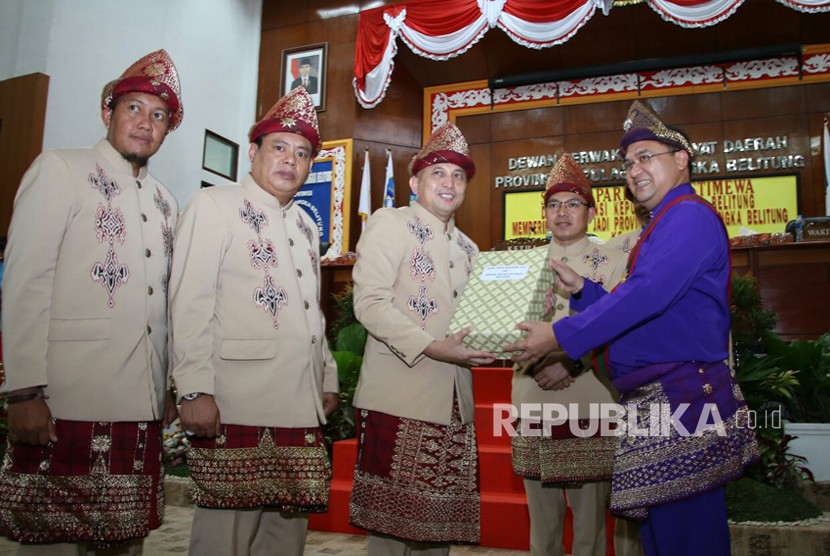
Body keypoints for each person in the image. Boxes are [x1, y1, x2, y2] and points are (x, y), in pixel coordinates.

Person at [505, 100, 759, 556]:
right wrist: (584, 288)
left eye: (646, 157)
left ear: (681, 160)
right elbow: (649, 307)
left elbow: (645, 294)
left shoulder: (689, 216)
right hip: (657, 403)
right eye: (627, 163)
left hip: (681, 400)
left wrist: (562, 336)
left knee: (688, 538)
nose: (634, 169)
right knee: (664, 538)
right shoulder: (666, 222)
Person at [0, 48, 183, 554]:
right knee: (50, 541)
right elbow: (25, 281)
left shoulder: (165, 201)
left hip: (138, 404)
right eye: (134, 109)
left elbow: (164, 304)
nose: (146, 123)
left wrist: (165, 384)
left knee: (124, 543)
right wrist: (24, 391)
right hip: (66, 399)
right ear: (108, 112)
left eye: (159, 115)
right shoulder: (60, 168)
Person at [169, 85, 338, 556]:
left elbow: (310, 309)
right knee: (226, 538)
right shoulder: (213, 206)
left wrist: (326, 373)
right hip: (237, 401)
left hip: (299, 403)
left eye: (302, 153)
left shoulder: (305, 223)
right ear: (253, 152)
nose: (290, 160)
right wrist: (194, 389)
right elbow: (189, 303)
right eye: (279, 147)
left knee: (285, 538)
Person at [348, 122, 496, 555]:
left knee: (439, 529)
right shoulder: (388, 223)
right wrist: (432, 346)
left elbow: (479, 320)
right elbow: (370, 304)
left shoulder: (470, 249)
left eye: (459, 176)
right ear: (414, 182)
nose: (449, 183)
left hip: (455, 403)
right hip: (399, 397)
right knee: (391, 532)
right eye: (438, 173)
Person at [511, 154, 626, 556]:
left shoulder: (615, 263)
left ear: (591, 213)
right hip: (532, 397)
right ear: (543, 213)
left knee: (590, 522)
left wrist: (568, 361)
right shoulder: (519, 265)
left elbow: (621, 326)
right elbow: (505, 328)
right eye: (554, 204)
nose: (562, 212)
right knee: (542, 523)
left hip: (589, 400)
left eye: (573, 203)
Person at [604, 185, 650, 255]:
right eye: (637, 199)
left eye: (650, 198)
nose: (643, 205)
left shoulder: (671, 240)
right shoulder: (613, 248)